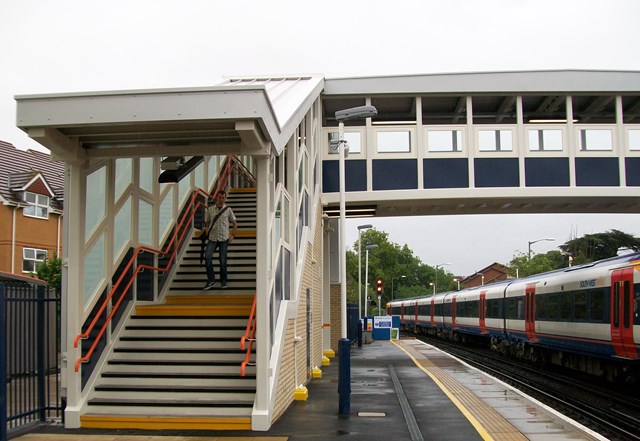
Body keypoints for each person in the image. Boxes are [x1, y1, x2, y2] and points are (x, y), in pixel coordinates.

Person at [202, 191, 237, 290]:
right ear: (216, 198)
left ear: (225, 198)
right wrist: (206, 229)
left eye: (223, 198)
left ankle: (223, 280)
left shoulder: (228, 210)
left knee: (222, 260)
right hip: (212, 237)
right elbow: (207, 222)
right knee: (207, 257)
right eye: (219, 197)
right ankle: (211, 279)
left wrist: (232, 235)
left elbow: (235, 224)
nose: (221, 200)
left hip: (223, 238)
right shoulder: (210, 209)